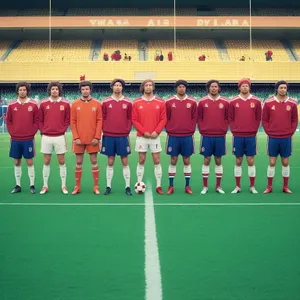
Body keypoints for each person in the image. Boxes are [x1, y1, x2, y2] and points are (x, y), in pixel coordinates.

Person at [262, 80, 298, 194]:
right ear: (277, 89)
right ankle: (269, 186)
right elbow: (265, 120)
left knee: (285, 162)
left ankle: (285, 186)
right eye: (281, 87)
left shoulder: (292, 103)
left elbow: (294, 120)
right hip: (273, 137)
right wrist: (269, 131)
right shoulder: (268, 103)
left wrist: (290, 132)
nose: (283, 89)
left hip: (286, 137)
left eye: (285, 88)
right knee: (272, 162)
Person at [132, 79, 167, 194]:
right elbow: (134, 120)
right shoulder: (136, 102)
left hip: (155, 136)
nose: (148, 87)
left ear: (153, 87)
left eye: (150, 85)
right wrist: (143, 132)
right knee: (141, 160)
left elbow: (164, 119)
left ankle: (158, 185)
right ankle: (139, 183)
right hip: (142, 136)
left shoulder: (161, 102)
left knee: (156, 160)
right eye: (146, 85)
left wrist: (156, 131)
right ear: (143, 87)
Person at [229, 78, 262, 194]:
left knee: (250, 160)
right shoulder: (233, 101)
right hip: (237, 135)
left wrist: (254, 129)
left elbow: (258, 118)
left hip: (251, 136)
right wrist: (234, 130)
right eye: (242, 86)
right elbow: (230, 118)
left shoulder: (256, 101)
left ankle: (252, 186)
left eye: (246, 86)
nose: (245, 87)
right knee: (238, 161)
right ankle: (237, 186)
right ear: (239, 87)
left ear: (249, 87)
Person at [101, 79, 132, 196]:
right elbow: (102, 117)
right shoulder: (105, 102)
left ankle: (127, 186)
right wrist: (105, 129)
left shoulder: (128, 102)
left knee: (125, 161)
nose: (118, 87)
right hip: (109, 135)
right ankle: (108, 186)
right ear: (112, 87)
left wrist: (126, 130)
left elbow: (130, 118)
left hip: (123, 136)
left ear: (122, 88)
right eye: (116, 85)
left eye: (119, 85)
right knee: (110, 161)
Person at [6, 82, 39, 194]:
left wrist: (32, 132)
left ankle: (32, 185)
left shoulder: (33, 104)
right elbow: (8, 121)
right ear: (17, 91)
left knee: (29, 162)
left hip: (28, 139)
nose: (22, 91)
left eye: (24, 90)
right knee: (16, 162)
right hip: (15, 138)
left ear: (27, 91)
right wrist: (12, 132)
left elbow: (36, 121)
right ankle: (18, 185)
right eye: (20, 90)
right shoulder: (11, 105)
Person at [165, 80, 197, 195]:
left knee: (186, 161)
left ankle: (187, 186)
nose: (181, 88)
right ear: (176, 88)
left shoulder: (192, 102)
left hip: (187, 136)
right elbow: (166, 117)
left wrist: (191, 130)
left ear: (186, 88)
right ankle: (171, 186)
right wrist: (169, 129)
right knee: (173, 160)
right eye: (179, 87)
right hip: (173, 135)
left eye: (183, 87)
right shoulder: (169, 101)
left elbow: (194, 118)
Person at [198, 80, 229, 194]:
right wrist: (202, 129)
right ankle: (205, 186)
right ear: (209, 88)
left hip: (220, 135)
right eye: (212, 86)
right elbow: (199, 118)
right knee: (206, 160)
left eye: (216, 86)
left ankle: (218, 186)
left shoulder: (225, 102)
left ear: (218, 88)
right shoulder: (202, 102)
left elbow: (227, 118)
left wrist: (224, 128)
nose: (214, 88)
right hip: (206, 135)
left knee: (218, 160)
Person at [71, 81, 102, 195]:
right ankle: (77, 186)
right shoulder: (74, 104)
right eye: (83, 89)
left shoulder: (97, 104)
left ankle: (96, 186)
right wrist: (76, 137)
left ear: (90, 90)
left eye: (87, 89)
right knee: (78, 162)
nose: (85, 91)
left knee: (94, 161)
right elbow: (72, 122)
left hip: (92, 138)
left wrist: (97, 136)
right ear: (81, 90)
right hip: (79, 139)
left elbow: (99, 121)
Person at [39, 81, 70, 195]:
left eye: (56, 89)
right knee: (46, 161)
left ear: (59, 90)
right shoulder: (43, 103)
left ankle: (63, 185)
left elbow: (67, 119)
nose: (54, 91)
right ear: (50, 90)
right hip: (46, 136)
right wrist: (43, 130)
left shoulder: (65, 103)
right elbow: (40, 119)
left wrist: (62, 129)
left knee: (61, 161)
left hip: (59, 136)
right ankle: (45, 185)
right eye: (52, 89)